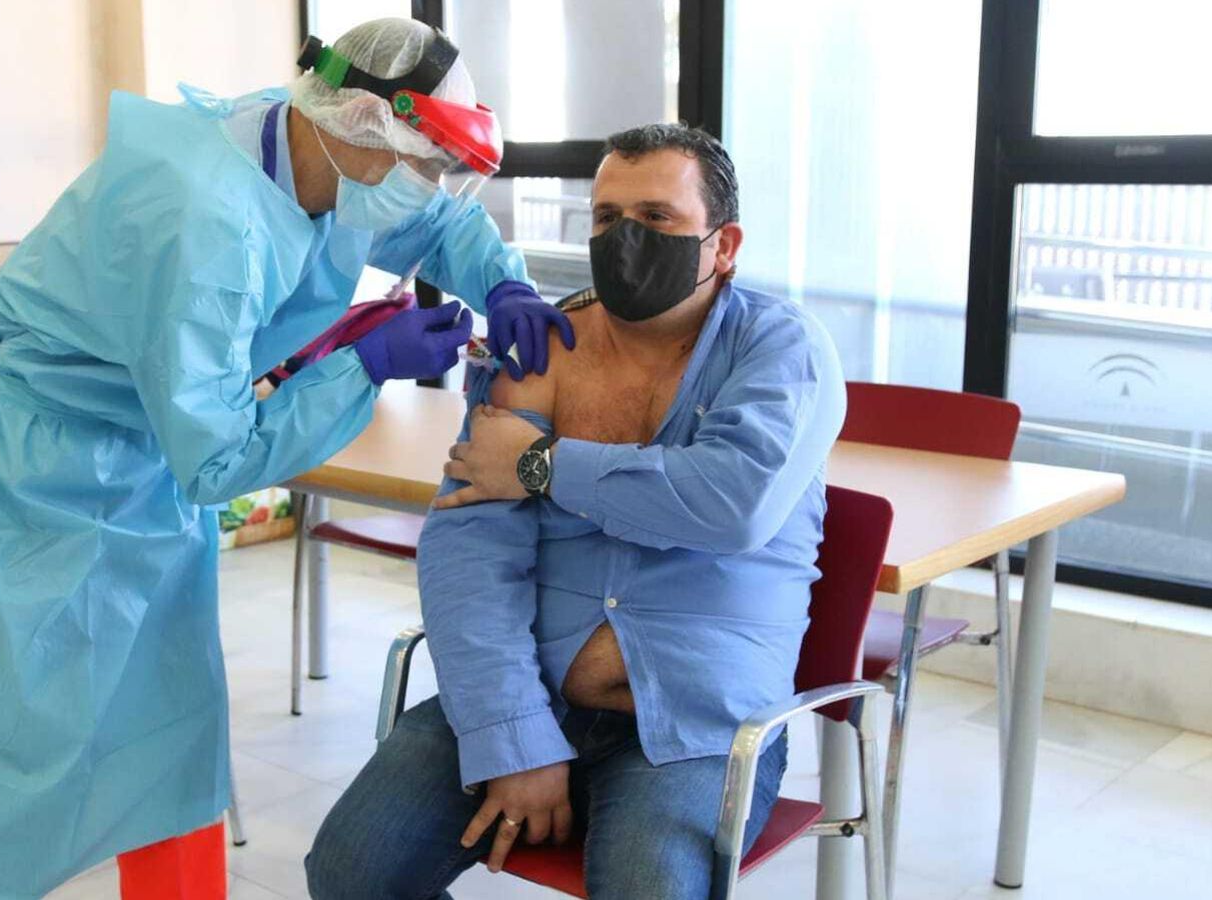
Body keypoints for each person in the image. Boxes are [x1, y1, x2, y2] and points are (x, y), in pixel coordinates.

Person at [0, 17, 573, 899]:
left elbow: (427, 225)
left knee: (168, 727)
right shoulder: (205, 219)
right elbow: (219, 461)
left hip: (138, 453)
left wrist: (502, 279)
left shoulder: (300, 143)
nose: (433, 188)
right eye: (425, 165)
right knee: (24, 744)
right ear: (356, 129)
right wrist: (365, 367)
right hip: (32, 468)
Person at [306, 124, 846, 899]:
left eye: (656, 219)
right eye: (604, 218)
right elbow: (469, 551)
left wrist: (540, 466)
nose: (624, 239)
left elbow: (731, 504)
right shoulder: (545, 347)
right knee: (350, 871)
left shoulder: (782, 349)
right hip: (526, 688)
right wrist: (514, 737)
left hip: (698, 729)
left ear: (723, 245)